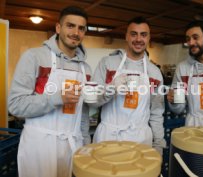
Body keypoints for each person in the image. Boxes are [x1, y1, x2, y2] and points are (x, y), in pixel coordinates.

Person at [8, 6, 92, 177]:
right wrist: (57, 98)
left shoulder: (86, 69)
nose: (76, 32)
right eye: (70, 25)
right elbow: (15, 106)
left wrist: (86, 144)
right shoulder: (34, 57)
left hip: (72, 145)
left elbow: (82, 113)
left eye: (81, 28)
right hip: (39, 145)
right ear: (58, 28)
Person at [92, 16, 166, 154]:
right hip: (109, 137)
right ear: (126, 36)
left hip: (141, 140)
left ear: (149, 38)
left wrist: (158, 145)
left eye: (143, 35)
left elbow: (156, 113)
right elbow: (92, 102)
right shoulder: (108, 63)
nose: (138, 39)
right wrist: (111, 89)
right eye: (133, 34)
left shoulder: (155, 73)